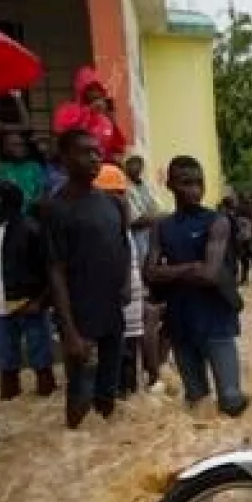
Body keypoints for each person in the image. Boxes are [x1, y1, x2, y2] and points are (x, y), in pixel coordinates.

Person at [144, 155, 248, 417]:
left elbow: (210, 274)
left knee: (231, 401)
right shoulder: (161, 226)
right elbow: (148, 273)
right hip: (181, 323)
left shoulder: (217, 221)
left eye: (199, 183)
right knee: (197, 403)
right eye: (186, 183)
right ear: (170, 185)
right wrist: (191, 267)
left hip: (216, 321)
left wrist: (169, 271)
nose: (195, 190)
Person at [43, 129, 132, 428]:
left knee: (109, 395)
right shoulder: (56, 208)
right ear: (65, 158)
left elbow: (123, 247)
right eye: (85, 152)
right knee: (80, 395)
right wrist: (68, 331)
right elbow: (55, 270)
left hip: (112, 315)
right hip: (81, 319)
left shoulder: (113, 204)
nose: (95, 158)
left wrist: (126, 286)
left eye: (97, 151)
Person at [0, 180, 55, 399]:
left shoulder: (31, 230)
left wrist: (41, 301)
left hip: (28, 303)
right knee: (4, 359)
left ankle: (45, 393)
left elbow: (50, 270)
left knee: (40, 356)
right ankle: (10, 396)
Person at [92, 162, 145, 397]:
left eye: (120, 194)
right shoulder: (106, 223)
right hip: (111, 297)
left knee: (128, 349)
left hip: (127, 294)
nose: (120, 200)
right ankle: (119, 393)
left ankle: (125, 392)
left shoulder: (120, 224)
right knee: (116, 351)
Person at [123, 155, 165, 389]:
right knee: (147, 318)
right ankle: (152, 374)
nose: (136, 169)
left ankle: (153, 372)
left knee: (153, 317)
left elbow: (153, 214)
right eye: (131, 165)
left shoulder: (146, 188)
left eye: (139, 165)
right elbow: (138, 219)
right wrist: (157, 218)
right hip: (137, 262)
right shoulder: (125, 192)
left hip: (150, 259)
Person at [52, 67, 127, 165]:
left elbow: (117, 146)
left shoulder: (104, 119)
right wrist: (88, 112)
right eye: (90, 88)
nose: (95, 93)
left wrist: (110, 117)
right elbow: (62, 132)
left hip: (99, 168)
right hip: (75, 165)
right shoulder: (68, 110)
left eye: (97, 89)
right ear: (82, 90)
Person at [0, 130, 44, 215]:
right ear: (5, 148)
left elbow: (41, 191)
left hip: (32, 214)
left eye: (22, 144)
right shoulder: (0, 168)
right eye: (15, 145)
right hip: (9, 214)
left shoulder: (34, 166)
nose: (20, 148)